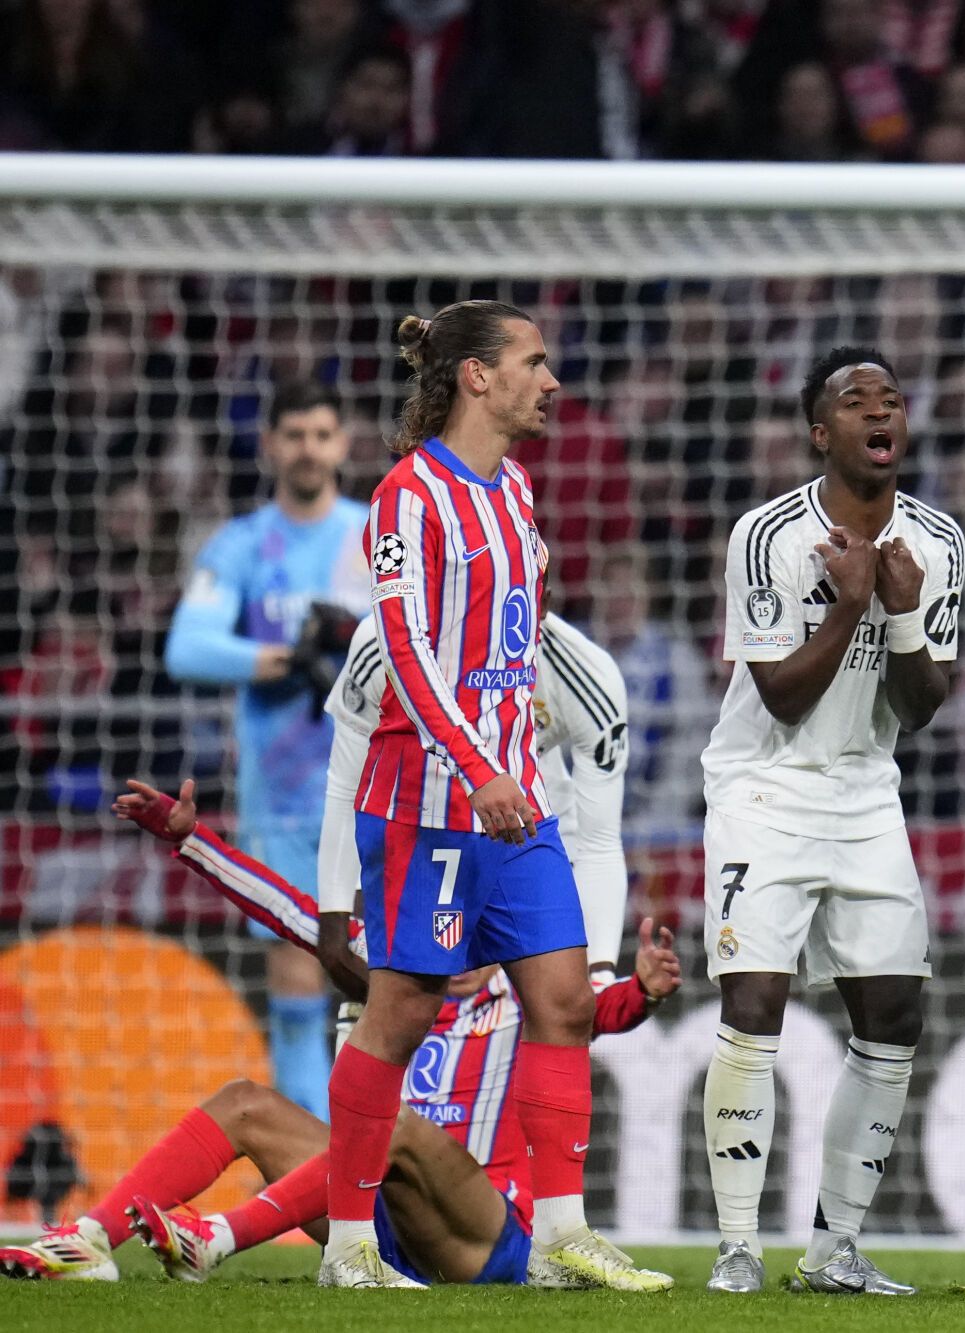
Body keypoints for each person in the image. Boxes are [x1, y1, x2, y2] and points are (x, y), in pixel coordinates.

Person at [0, 777, 678, 1286]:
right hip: (366, 1214)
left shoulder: (526, 983)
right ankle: (89, 1237)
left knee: (398, 1126)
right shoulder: (397, 976)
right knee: (245, 1101)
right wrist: (190, 840)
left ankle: (218, 1235)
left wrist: (642, 990)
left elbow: (594, 1010)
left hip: (484, 1231)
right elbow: (287, 909)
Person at [326, 299, 664, 1291]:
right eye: (533, 362)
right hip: (429, 803)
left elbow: (505, 640)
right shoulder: (406, 498)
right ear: (477, 376)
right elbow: (407, 649)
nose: (551, 381)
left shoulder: (513, 488)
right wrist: (477, 768)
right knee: (396, 1018)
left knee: (561, 1000)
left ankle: (561, 1234)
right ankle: (348, 1246)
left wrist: (510, 762)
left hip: (518, 804)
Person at [698, 346, 961, 1296]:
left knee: (894, 1009)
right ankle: (737, 1245)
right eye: (856, 401)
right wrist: (852, 605)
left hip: (866, 790)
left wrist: (899, 615)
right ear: (822, 432)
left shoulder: (939, 541)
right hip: (764, 787)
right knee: (754, 1001)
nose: (879, 411)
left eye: (890, 397)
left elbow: (924, 703)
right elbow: (780, 698)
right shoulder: (767, 535)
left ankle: (835, 1246)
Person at [163, 381, 370, 1122]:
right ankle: (314, 1171)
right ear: (272, 445)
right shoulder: (242, 544)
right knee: (296, 980)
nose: (310, 448)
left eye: (323, 433)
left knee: (392, 987)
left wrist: (348, 651)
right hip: (281, 800)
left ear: (343, 443)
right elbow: (186, 647)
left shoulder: (375, 534)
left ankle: (393, 1164)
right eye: (296, 434)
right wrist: (286, 659)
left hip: (377, 791)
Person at [329, 609, 632, 983]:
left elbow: (599, 841)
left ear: (544, 598)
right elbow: (347, 788)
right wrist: (338, 910)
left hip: (523, 847)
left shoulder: (587, 678)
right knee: (396, 1014)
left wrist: (599, 974)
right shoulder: (381, 646)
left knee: (559, 1010)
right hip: (414, 841)